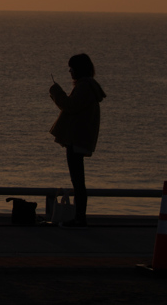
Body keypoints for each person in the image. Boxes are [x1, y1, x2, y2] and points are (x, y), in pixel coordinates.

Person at [49, 53, 106, 228]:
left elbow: (70, 106)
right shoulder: (88, 86)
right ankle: (80, 216)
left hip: (76, 140)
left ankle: (80, 217)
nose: (70, 71)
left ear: (79, 69)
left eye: (72, 68)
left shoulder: (84, 87)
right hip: (79, 139)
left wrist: (56, 93)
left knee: (78, 181)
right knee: (78, 180)